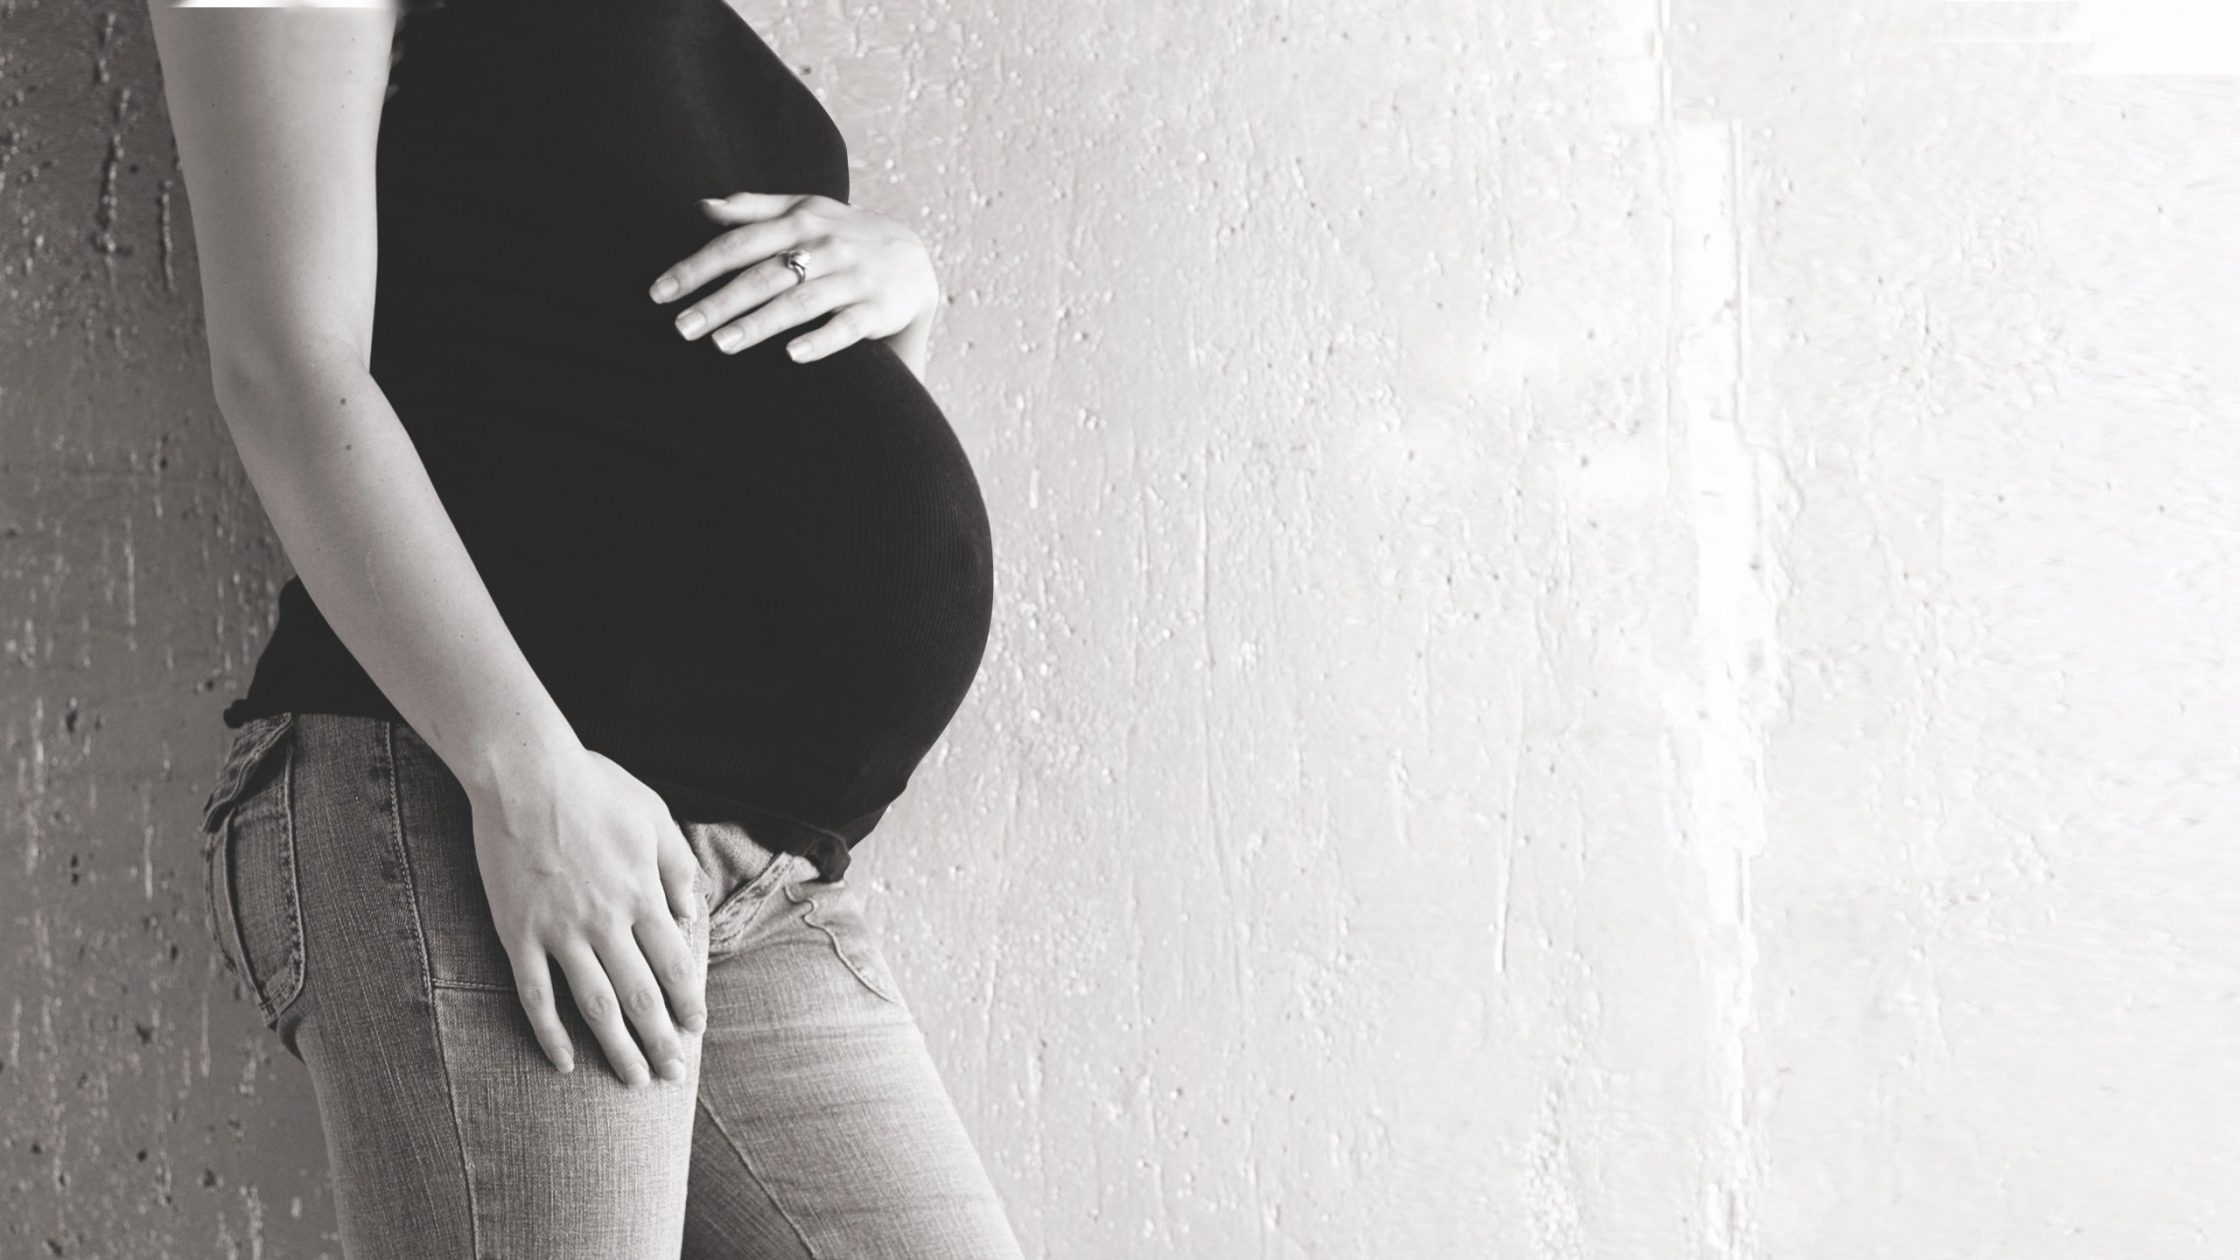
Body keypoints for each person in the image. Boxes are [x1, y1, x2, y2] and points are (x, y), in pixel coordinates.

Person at [149, 1, 1021, 1255]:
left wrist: (896, 290)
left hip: (746, 867)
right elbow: (285, 367)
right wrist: (528, 779)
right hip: (481, 807)